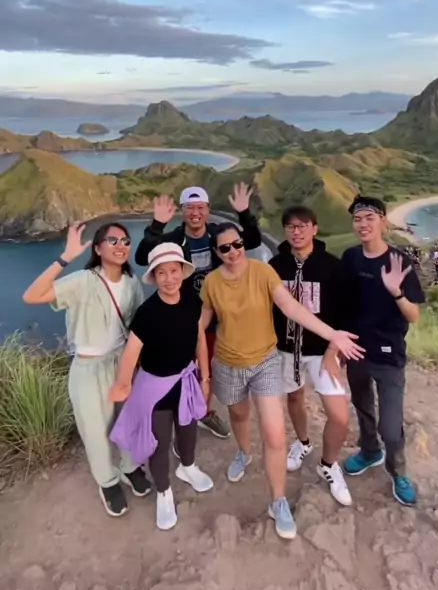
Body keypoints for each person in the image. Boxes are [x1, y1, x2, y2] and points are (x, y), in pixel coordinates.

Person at [199, 222, 364, 540]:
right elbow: (200, 325)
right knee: (238, 415)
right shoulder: (212, 282)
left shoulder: (263, 272)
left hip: (265, 361)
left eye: (237, 244)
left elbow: (291, 307)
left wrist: (332, 335)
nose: (233, 252)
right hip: (229, 364)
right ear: (216, 252)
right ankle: (244, 452)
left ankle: (278, 501)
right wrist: (202, 371)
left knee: (275, 434)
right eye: (225, 248)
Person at [22, 223, 152, 517]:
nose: (121, 245)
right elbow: (32, 296)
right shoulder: (82, 280)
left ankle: (130, 467)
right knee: (95, 430)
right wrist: (65, 257)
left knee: (128, 421)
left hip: (122, 362)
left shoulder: (132, 283)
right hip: (88, 368)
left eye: (125, 240)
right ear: (97, 248)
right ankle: (108, 481)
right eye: (112, 240)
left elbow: (137, 326)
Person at [134, 182, 262, 439]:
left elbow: (251, 240)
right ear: (182, 211)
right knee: (181, 367)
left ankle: (201, 411)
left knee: (207, 367)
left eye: (200, 207)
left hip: (217, 313)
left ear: (208, 209)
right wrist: (157, 225)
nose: (195, 213)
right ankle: (180, 418)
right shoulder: (172, 239)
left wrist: (244, 213)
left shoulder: (217, 235)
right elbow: (141, 257)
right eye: (190, 208)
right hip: (182, 314)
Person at [109, 243, 213, 531]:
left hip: (186, 381)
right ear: (154, 277)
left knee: (188, 429)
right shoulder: (147, 312)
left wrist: (205, 377)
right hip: (156, 389)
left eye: (174, 271)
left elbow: (199, 339)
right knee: (159, 442)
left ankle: (188, 468)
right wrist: (123, 384)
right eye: (162, 273)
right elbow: (131, 352)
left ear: (182, 271)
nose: (169, 278)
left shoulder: (191, 301)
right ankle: (164, 492)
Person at [341, 196, 425, 506]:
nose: (363, 224)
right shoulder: (351, 258)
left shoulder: (399, 261)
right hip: (357, 350)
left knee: (391, 426)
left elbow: (413, 315)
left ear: (383, 222)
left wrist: (397, 292)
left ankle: (398, 471)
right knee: (362, 405)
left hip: (389, 355)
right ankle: (369, 451)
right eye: (357, 219)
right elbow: (345, 302)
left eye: (369, 218)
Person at [269, 206, 352, 506]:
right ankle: (303, 442)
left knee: (339, 416)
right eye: (291, 226)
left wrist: (333, 351)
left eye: (303, 225)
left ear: (315, 229)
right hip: (286, 349)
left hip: (322, 351)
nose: (297, 231)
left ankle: (328, 464)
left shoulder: (332, 266)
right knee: (294, 397)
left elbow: (345, 312)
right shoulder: (275, 265)